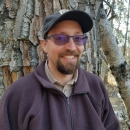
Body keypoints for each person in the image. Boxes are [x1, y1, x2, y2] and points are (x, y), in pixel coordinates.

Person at [0, 9, 120, 130]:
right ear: (44, 45)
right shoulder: (18, 95)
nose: (72, 47)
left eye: (78, 38)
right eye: (61, 38)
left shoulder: (96, 87)